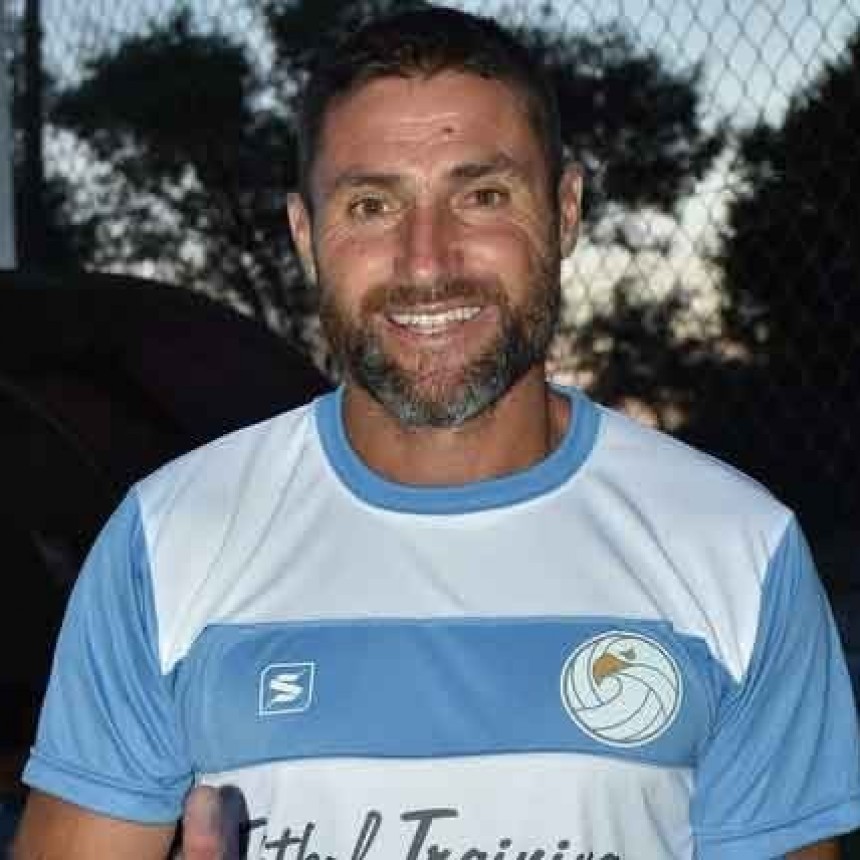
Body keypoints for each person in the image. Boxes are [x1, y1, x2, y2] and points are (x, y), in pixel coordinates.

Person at [11, 5, 860, 859]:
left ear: (565, 211)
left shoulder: (736, 551)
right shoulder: (167, 542)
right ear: (305, 235)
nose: (427, 261)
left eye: (482, 196)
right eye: (372, 205)